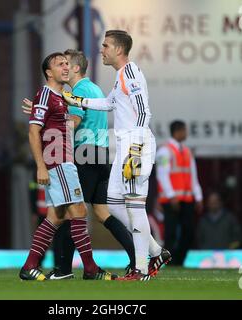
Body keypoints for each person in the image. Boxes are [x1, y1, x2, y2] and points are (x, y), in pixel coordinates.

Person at [63, 30, 171, 281]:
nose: (102, 50)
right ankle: (156, 252)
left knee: (135, 205)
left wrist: (136, 144)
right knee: (113, 202)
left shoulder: (131, 72)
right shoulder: (121, 75)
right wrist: (75, 98)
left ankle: (141, 268)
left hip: (135, 144)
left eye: (106, 45)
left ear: (119, 50)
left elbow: (144, 111)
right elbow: (109, 103)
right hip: (124, 147)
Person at [22, 49, 136, 280]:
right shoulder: (49, 94)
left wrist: (38, 111)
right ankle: (90, 269)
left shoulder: (61, 97)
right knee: (79, 212)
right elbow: (34, 131)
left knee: (56, 217)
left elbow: (59, 123)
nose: (65, 67)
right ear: (48, 72)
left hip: (71, 159)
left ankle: (30, 266)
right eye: (59, 64)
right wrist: (41, 166)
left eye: (66, 63)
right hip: (60, 161)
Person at [156, 120, 203, 265]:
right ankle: (168, 261)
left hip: (187, 198)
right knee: (170, 232)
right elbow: (162, 174)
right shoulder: (164, 151)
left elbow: (193, 175)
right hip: (172, 200)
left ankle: (178, 261)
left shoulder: (187, 151)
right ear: (178, 131)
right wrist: (171, 196)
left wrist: (198, 196)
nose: (186, 133)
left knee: (188, 231)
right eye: (184, 130)